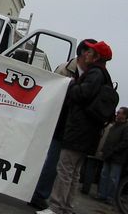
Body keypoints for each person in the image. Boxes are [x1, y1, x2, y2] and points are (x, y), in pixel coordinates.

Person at [37, 40, 114, 214]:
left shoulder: (94, 73)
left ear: (97, 57)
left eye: (91, 52)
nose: (86, 54)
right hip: (87, 134)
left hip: (77, 131)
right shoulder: (104, 76)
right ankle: (66, 207)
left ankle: (56, 207)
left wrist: (72, 85)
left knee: (65, 170)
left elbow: (83, 93)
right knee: (73, 173)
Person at [29, 39, 97, 210]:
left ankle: (47, 195)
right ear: (84, 53)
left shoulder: (92, 74)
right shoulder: (64, 69)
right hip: (59, 121)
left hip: (73, 126)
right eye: (92, 53)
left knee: (65, 167)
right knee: (53, 161)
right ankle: (39, 194)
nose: (94, 57)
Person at [95, 106, 128, 204]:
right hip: (108, 155)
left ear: (125, 115)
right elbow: (108, 139)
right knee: (104, 175)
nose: (117, 114)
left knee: (113, 178)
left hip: (117, 157)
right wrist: (104, 150)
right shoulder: (114, 126)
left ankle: (110, 197)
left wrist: (114, 151)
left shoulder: (126, 127)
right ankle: (102, 194)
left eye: (119, 113)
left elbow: (125, 142)